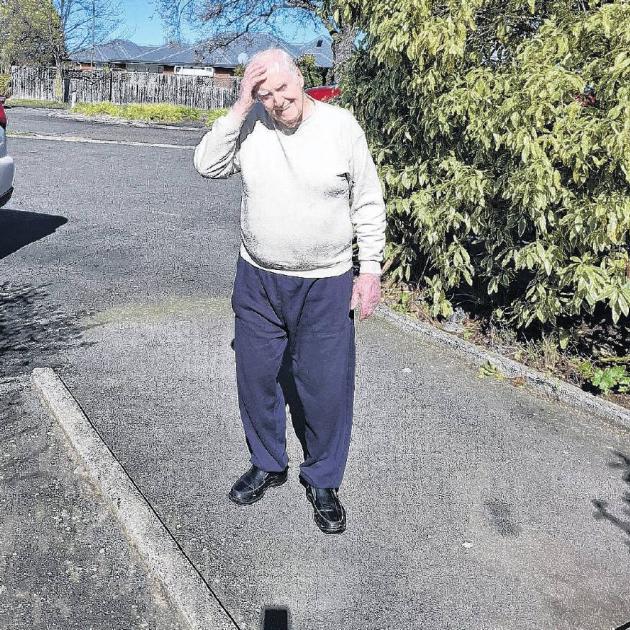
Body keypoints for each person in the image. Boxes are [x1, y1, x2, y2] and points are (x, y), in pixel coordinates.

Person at [193, 48, 386, 534]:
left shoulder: (341, 127)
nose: (279, 101)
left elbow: (367, 199)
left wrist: (370, 270)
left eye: (284, 88)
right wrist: (239, 109)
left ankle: (323, 478)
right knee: (256, 377)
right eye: (265, 94)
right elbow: (206, 165)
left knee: (323, 387)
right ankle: (268, 463)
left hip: (326, 281)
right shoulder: (252, 125)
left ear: (301, 78)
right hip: (259, 277)